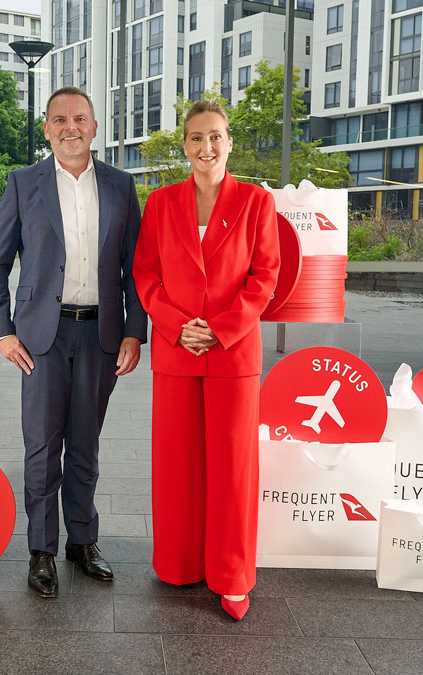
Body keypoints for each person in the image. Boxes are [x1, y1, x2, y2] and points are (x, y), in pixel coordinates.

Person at [0, 86, 148, 598]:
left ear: (94, 127)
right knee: (41, 445)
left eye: (79, 119)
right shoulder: (23, 183)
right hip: (41, 338)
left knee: (84, 444)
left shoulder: (121, 185)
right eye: (59, 120)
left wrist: (134, 330)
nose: (69, 128)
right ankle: (41, 550)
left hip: (100, 334)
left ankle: (81, 541)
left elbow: (136, 267)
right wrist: (2, 330)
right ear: (48, 129)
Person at [131, 100, 280, 620]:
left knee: (232, 469)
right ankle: (179, 563)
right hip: (177, 351)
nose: (206, 147)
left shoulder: (257, 202)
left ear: (229, 142)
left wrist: (220, 329)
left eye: (215, 136)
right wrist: (177, 326)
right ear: (185, 146)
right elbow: (146, 274)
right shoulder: (160, 203)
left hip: (232, 353)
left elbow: (265, 276)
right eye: (196, 137)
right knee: (178, 465)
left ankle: (232, 576)